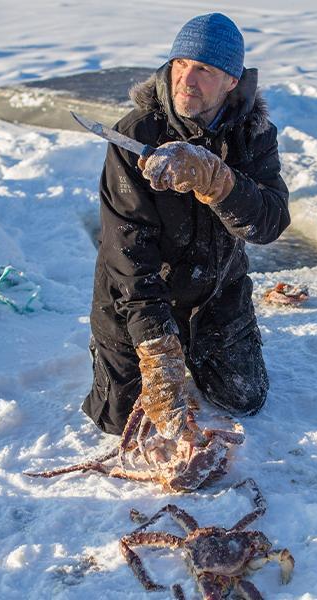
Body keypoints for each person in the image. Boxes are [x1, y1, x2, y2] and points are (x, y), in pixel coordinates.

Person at [82, 13, 290, 445]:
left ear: (232, 81)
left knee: (244, 398)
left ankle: (206, 344)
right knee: (122, 421)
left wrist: (220, 181)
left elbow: (269, 223)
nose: (186, 81)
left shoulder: (253, 135)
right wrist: (156, 348)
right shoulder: (135, 135)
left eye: (204, 70)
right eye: (180, 64)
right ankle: (122, 352)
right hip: (138, 297)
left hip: (216, 290)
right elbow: (127, 251)